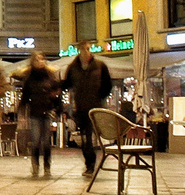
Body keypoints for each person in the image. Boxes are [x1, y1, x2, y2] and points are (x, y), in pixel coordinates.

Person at [62, 41, 114, 178]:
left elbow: (108, 85)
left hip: (95, 107)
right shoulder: (73, 67)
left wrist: (100, 96)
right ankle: (89, 163)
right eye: (83, 49)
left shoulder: (100, 66)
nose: (86, 52)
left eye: (88, 49)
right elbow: (66, 83)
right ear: (79, 50)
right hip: (80, 108)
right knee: (85, 139)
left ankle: (91, 165)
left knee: (90, 137)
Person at [17, 51, 62, 178]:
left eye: (42, 59)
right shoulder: (30, 78)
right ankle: (35, 166)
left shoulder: (50, 77)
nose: (40, 61)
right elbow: (25, 96)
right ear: (33, 62)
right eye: (37, 59)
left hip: (47, 112)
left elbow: (57, 94)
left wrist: (58, 108)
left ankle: (47, 166)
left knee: (47, 142)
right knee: (36, 141)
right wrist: (21, 111)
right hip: (34, 113)